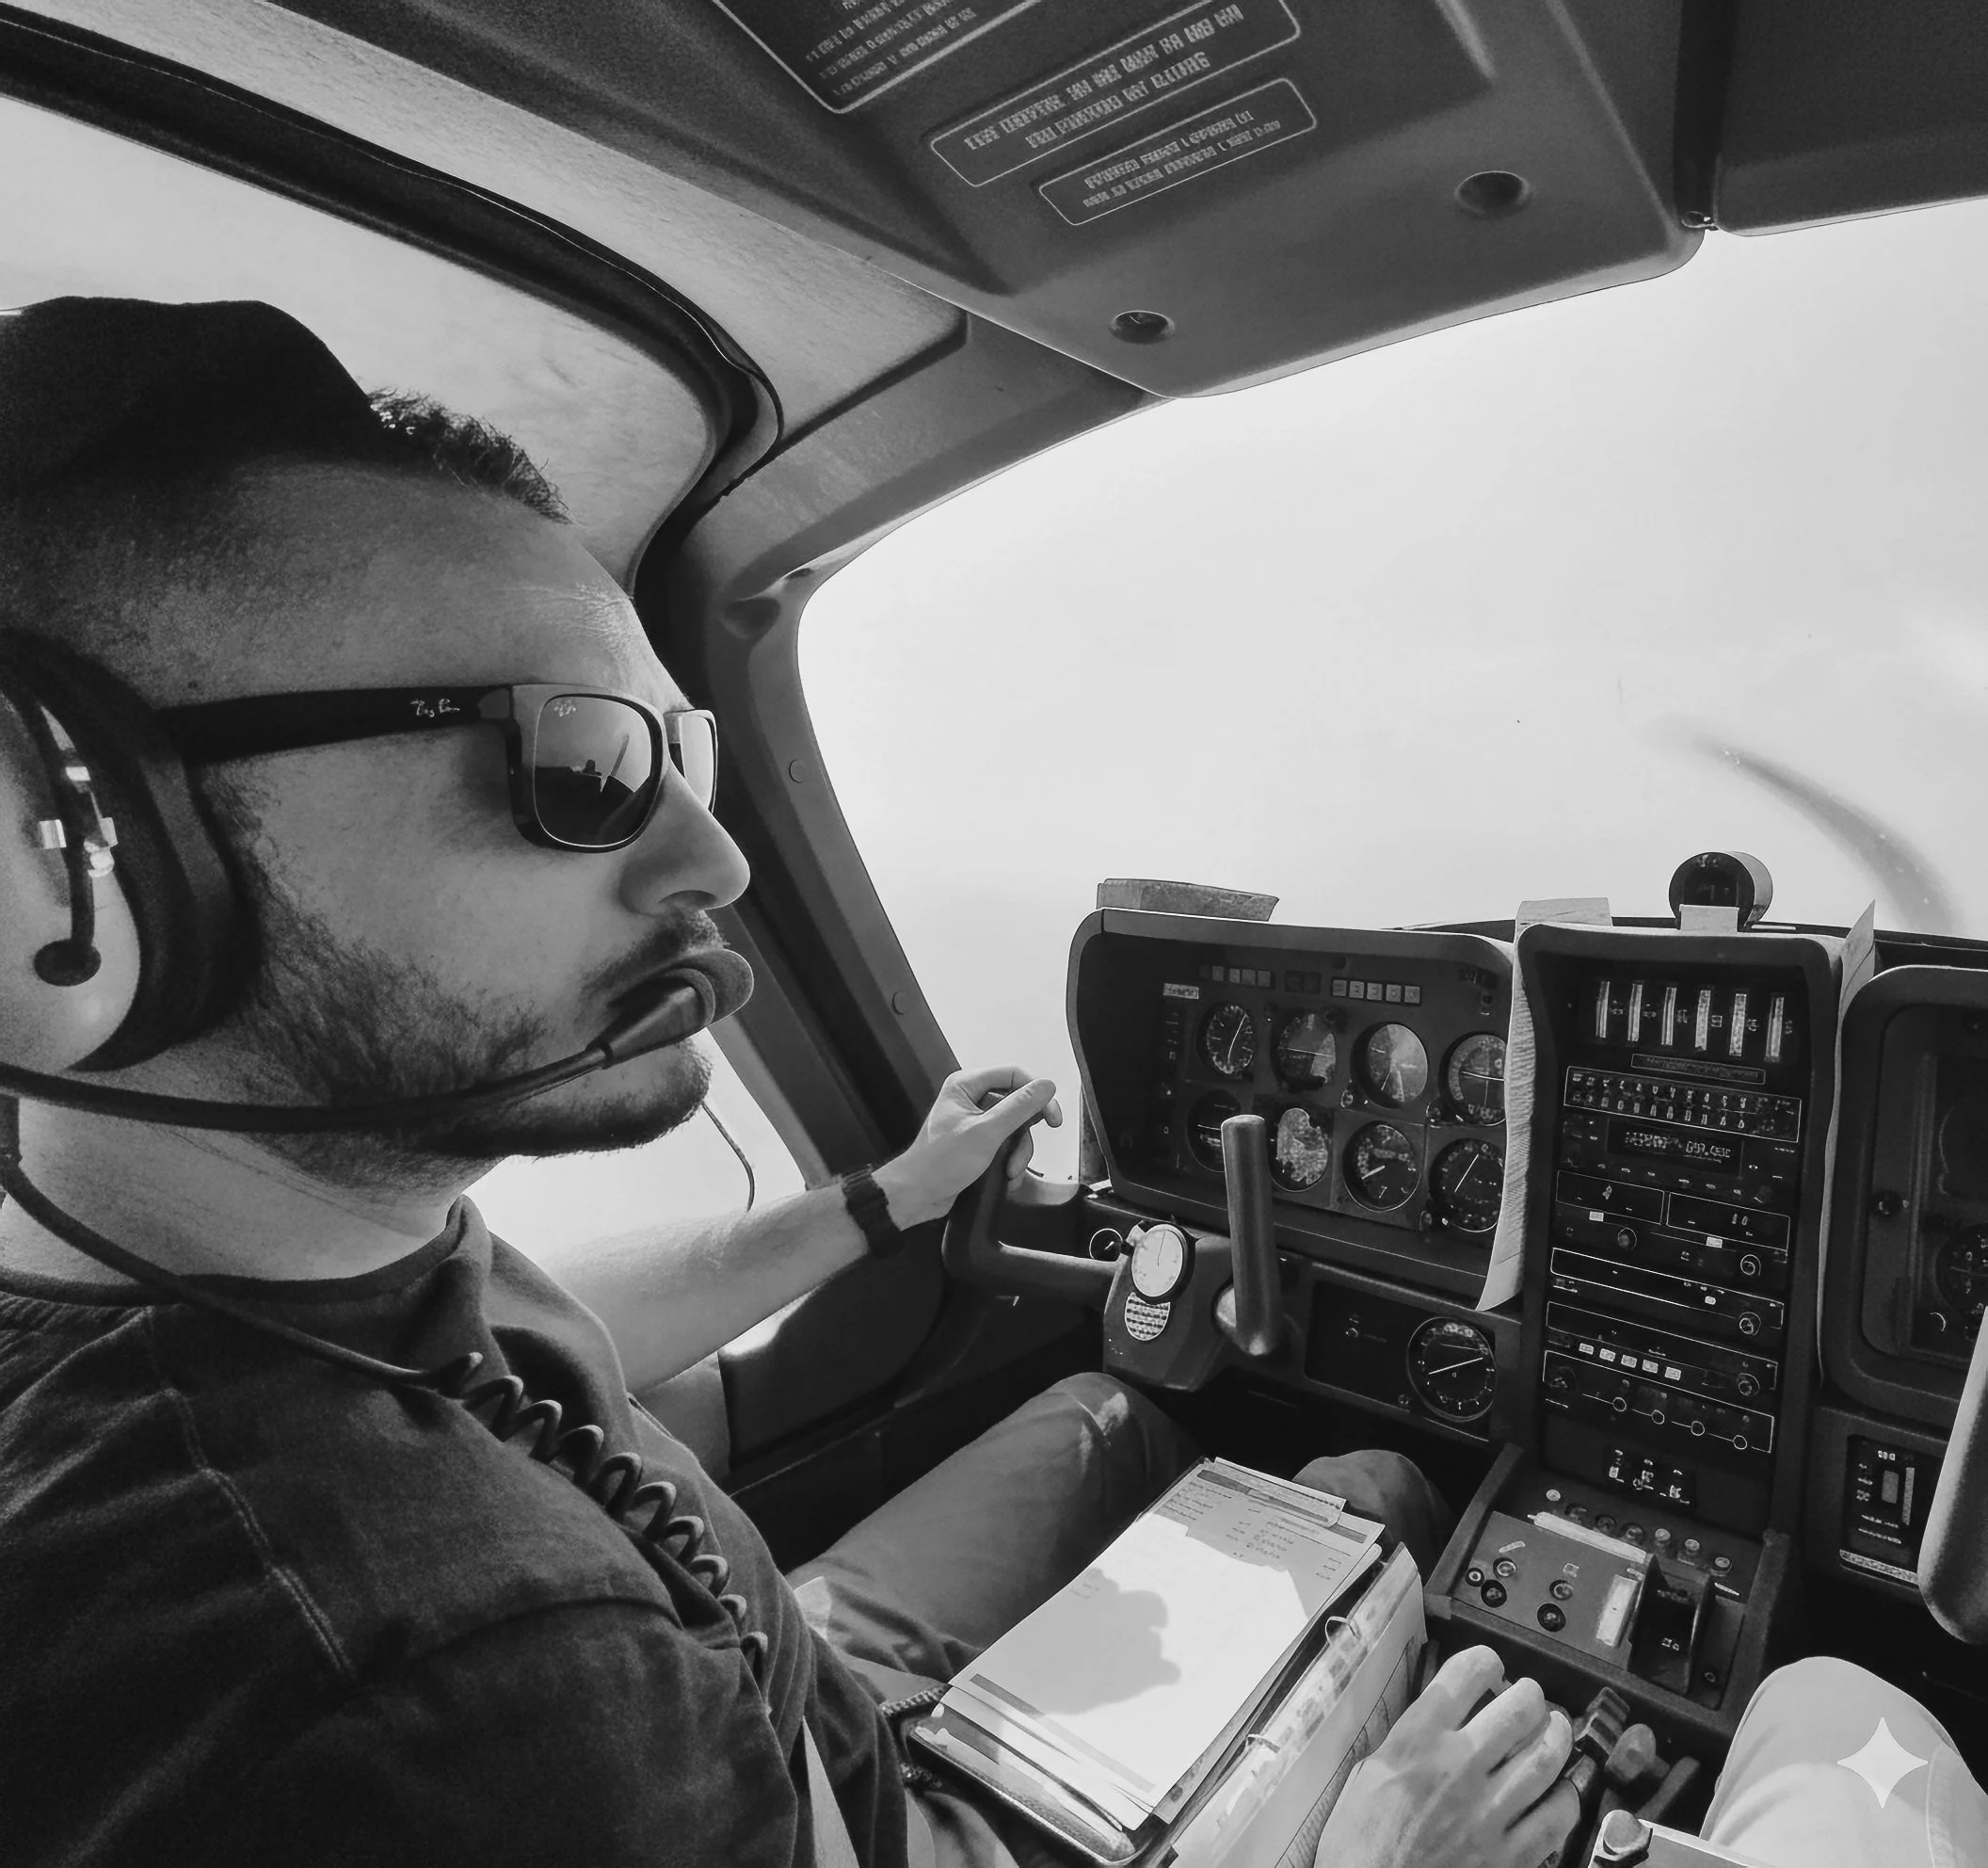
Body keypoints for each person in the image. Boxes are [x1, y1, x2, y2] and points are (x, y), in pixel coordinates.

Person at [0, 297, 1566, 1868]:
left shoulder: (245, 1255)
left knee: (1114, 1407)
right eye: (582, 765)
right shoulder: (472, 1695)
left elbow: (541, 1321)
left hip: (791, 1686)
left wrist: (885, 1199)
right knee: (1371, 1486)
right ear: (76, 861)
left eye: (679, 754)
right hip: (833, 1798)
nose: (718, 857)